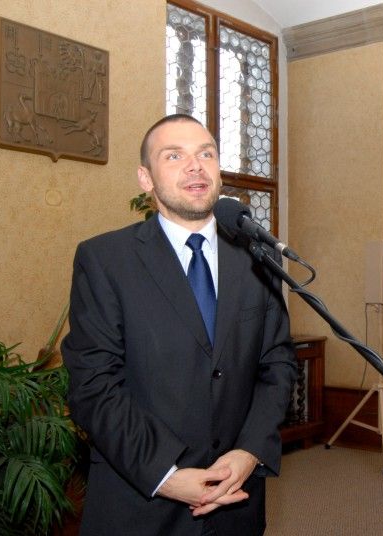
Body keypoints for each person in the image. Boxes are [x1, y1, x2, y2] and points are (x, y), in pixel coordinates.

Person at [62, 114, 297, 536]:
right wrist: (167, 475)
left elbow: (277, 364)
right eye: (174, 156)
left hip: (236, 500)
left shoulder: (258, 256)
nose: (195, 166)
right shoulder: (105, 260)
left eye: (206, 154)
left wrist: (249, 452)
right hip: (141, 502)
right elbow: (94, 385)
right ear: (145, 178)